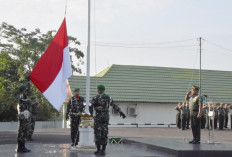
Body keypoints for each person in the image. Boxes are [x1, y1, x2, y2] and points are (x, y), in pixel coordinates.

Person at [90, 85, 126, 155]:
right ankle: (103, 150)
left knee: (97, 133)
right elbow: (114, 105)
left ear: (99, 90)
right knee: (104, 132)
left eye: (98, 89)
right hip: (106, 116)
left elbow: (90, 107)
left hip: (98, 116)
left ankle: (98, 150)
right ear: (104, 90)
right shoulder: (108, 97)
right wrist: (121, 112)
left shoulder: (95, 98)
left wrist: (91, 115)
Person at [17, 84, 31, 152]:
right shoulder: (22, 96)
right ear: (23, 90)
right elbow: (26, 96)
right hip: (23, 116)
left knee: (23, 131)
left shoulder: (22, 96)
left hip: (24, 116)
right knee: (23, 131)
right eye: (25, 90)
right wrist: (28, 80)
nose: (26, 91)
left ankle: (21, 146)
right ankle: (21, 147)